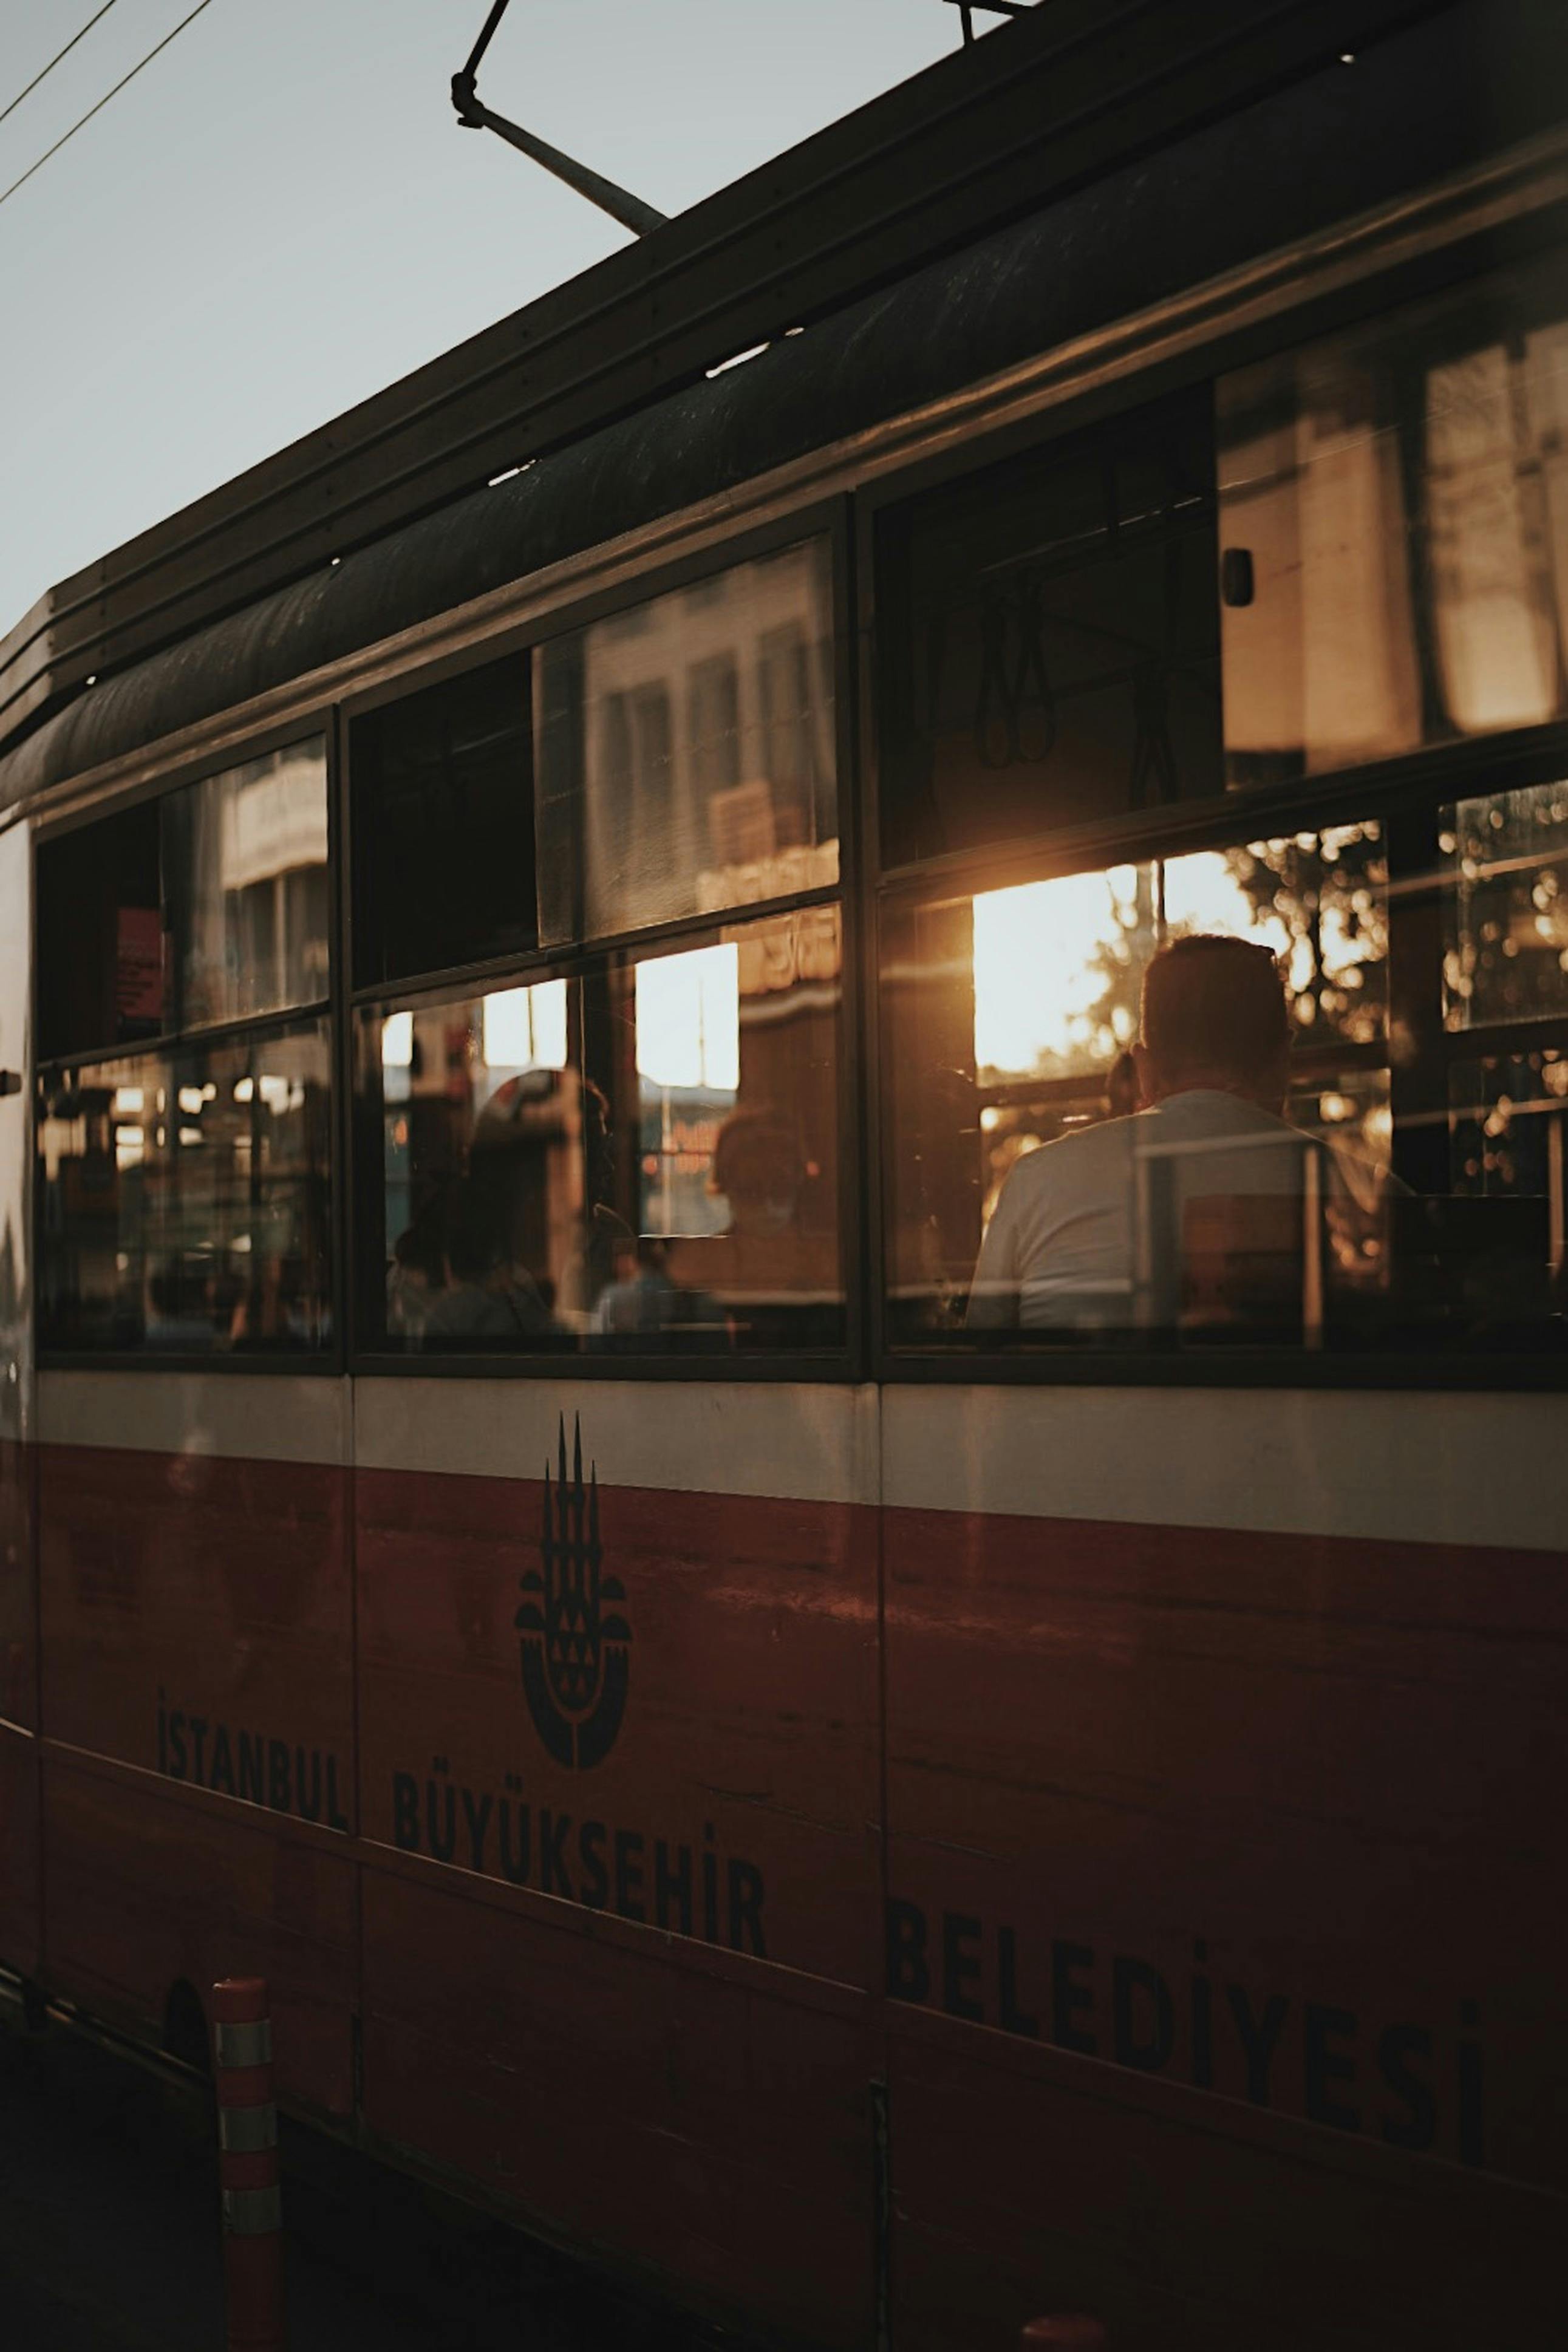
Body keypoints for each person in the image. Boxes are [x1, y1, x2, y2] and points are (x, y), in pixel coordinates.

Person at [967, 934, 1388, 1331]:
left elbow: (980, 1356)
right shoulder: (1360, 1193)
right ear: (1283, 1061)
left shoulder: (1038, 1179)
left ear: (1143, 1069)